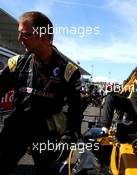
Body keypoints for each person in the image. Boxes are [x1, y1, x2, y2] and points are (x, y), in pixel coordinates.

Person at [0, 11, 82, 175]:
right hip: (18, 126)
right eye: (19, 33)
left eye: (25, 35)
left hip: (47, 132)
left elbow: (75, 110)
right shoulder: (17, 63)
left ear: (44, 38)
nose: (19, 39)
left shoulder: (68, 71)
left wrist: (68, 137)